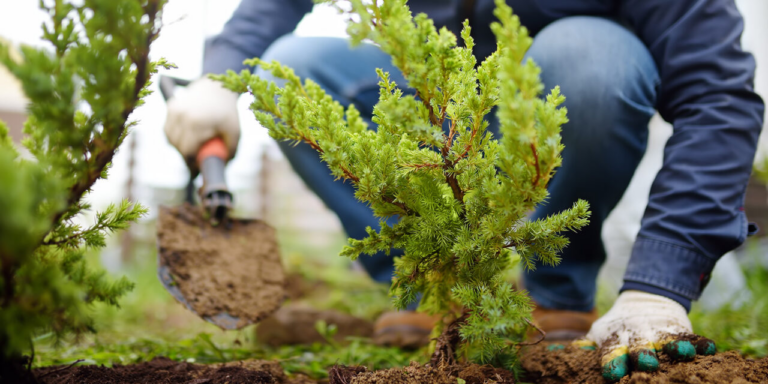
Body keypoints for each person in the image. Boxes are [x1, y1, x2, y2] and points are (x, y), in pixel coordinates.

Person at [164, 0, 765, 380]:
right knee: (283, 70)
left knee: (590, 57)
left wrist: (659, 285)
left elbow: (717, 96)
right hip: (438, 111)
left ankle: (559, 287)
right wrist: (222, 73)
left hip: (552, 106)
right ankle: (428, 283)